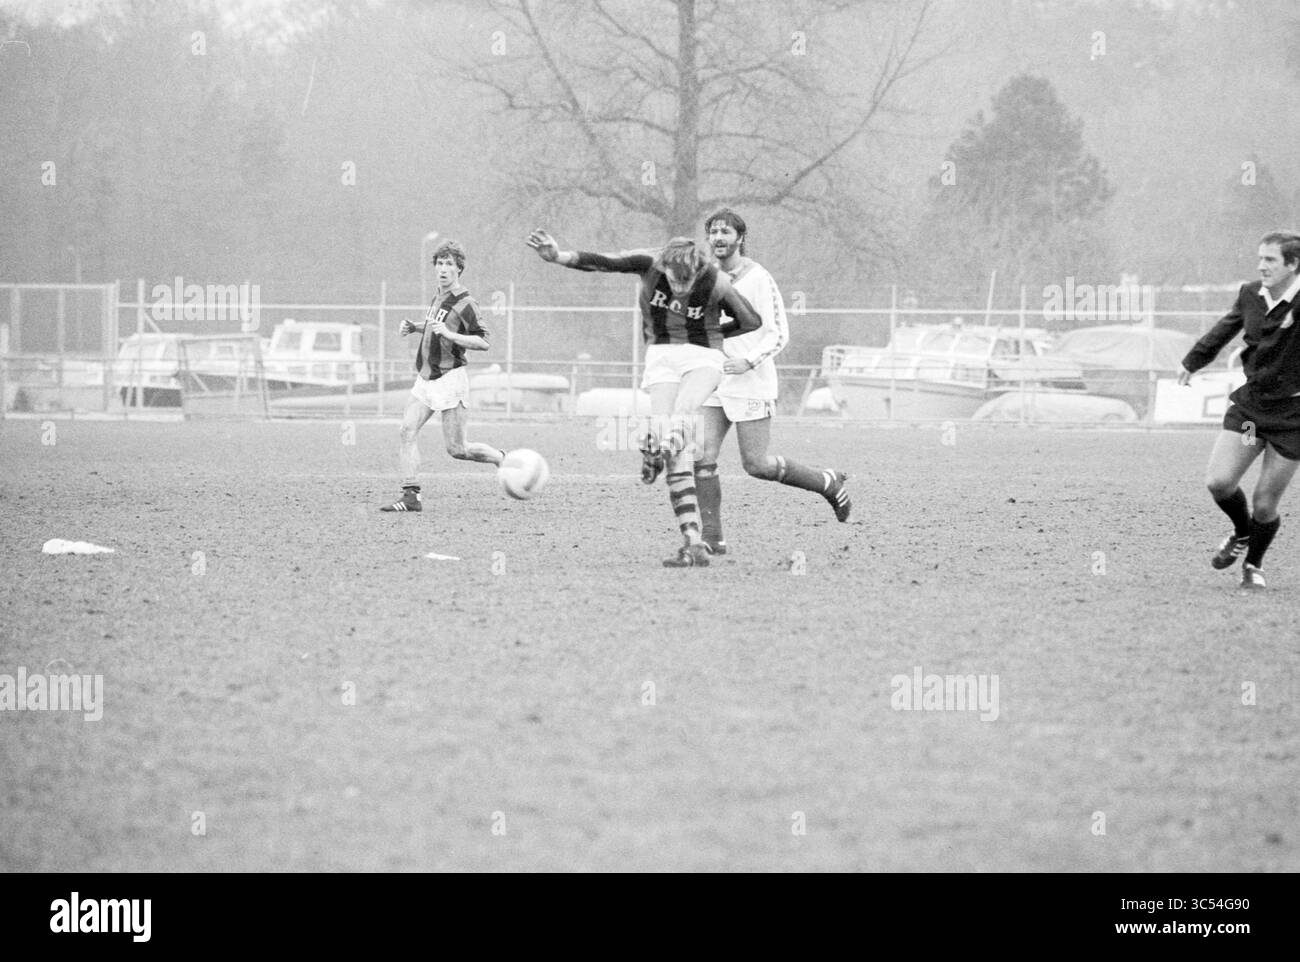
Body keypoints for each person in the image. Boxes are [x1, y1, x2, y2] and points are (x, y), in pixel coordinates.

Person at [526, 228, 762, 566]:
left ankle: (657, 444)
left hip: (703, 355)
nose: (680, 288)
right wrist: (558, 256)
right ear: (664, 266)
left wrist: (711, 333)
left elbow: (751, 320)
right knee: (676, 451)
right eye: (674, 280)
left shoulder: (715, 280)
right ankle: (693, 542)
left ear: (696, 269)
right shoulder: (648, 263)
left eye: (687, 281)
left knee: (685, 411)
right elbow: (602, 262)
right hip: (662, 354)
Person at [693, 209, 851, 555]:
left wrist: (747, 361)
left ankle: (826, 482)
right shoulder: (704, 277)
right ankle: (712, 538)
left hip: (751, 382)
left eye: (726, 232)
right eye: (713, 232)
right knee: (701, 455)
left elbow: (778, 333)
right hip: (713, 383)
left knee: (756, 465)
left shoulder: (758, 278)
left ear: (740, 238)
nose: (719, 238)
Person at [1178, 230, 1300, 589]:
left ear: (1293, 265)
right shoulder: (1250, 294)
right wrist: (1194, 360)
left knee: (1265, 504)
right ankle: (1241, 533)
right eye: (1260, 258)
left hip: (1292, 419)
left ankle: (1253, 566)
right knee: (1219, 482)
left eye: (1270, 260)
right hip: (1252, 414)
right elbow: (1226, 327)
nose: (1262, 266)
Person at [379, 240, 505, 512]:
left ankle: (500, 458)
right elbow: (437, 325)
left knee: (458, 449)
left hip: (450, 380)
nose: (443, 269)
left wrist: (449, 335)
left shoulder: (466, 302)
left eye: (449, 264)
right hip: (425, 379)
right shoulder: (438, 296)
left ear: (459, 268)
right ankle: (411, 497)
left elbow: (484, 341)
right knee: (406, 430)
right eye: (439, 263)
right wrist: (415, 327)